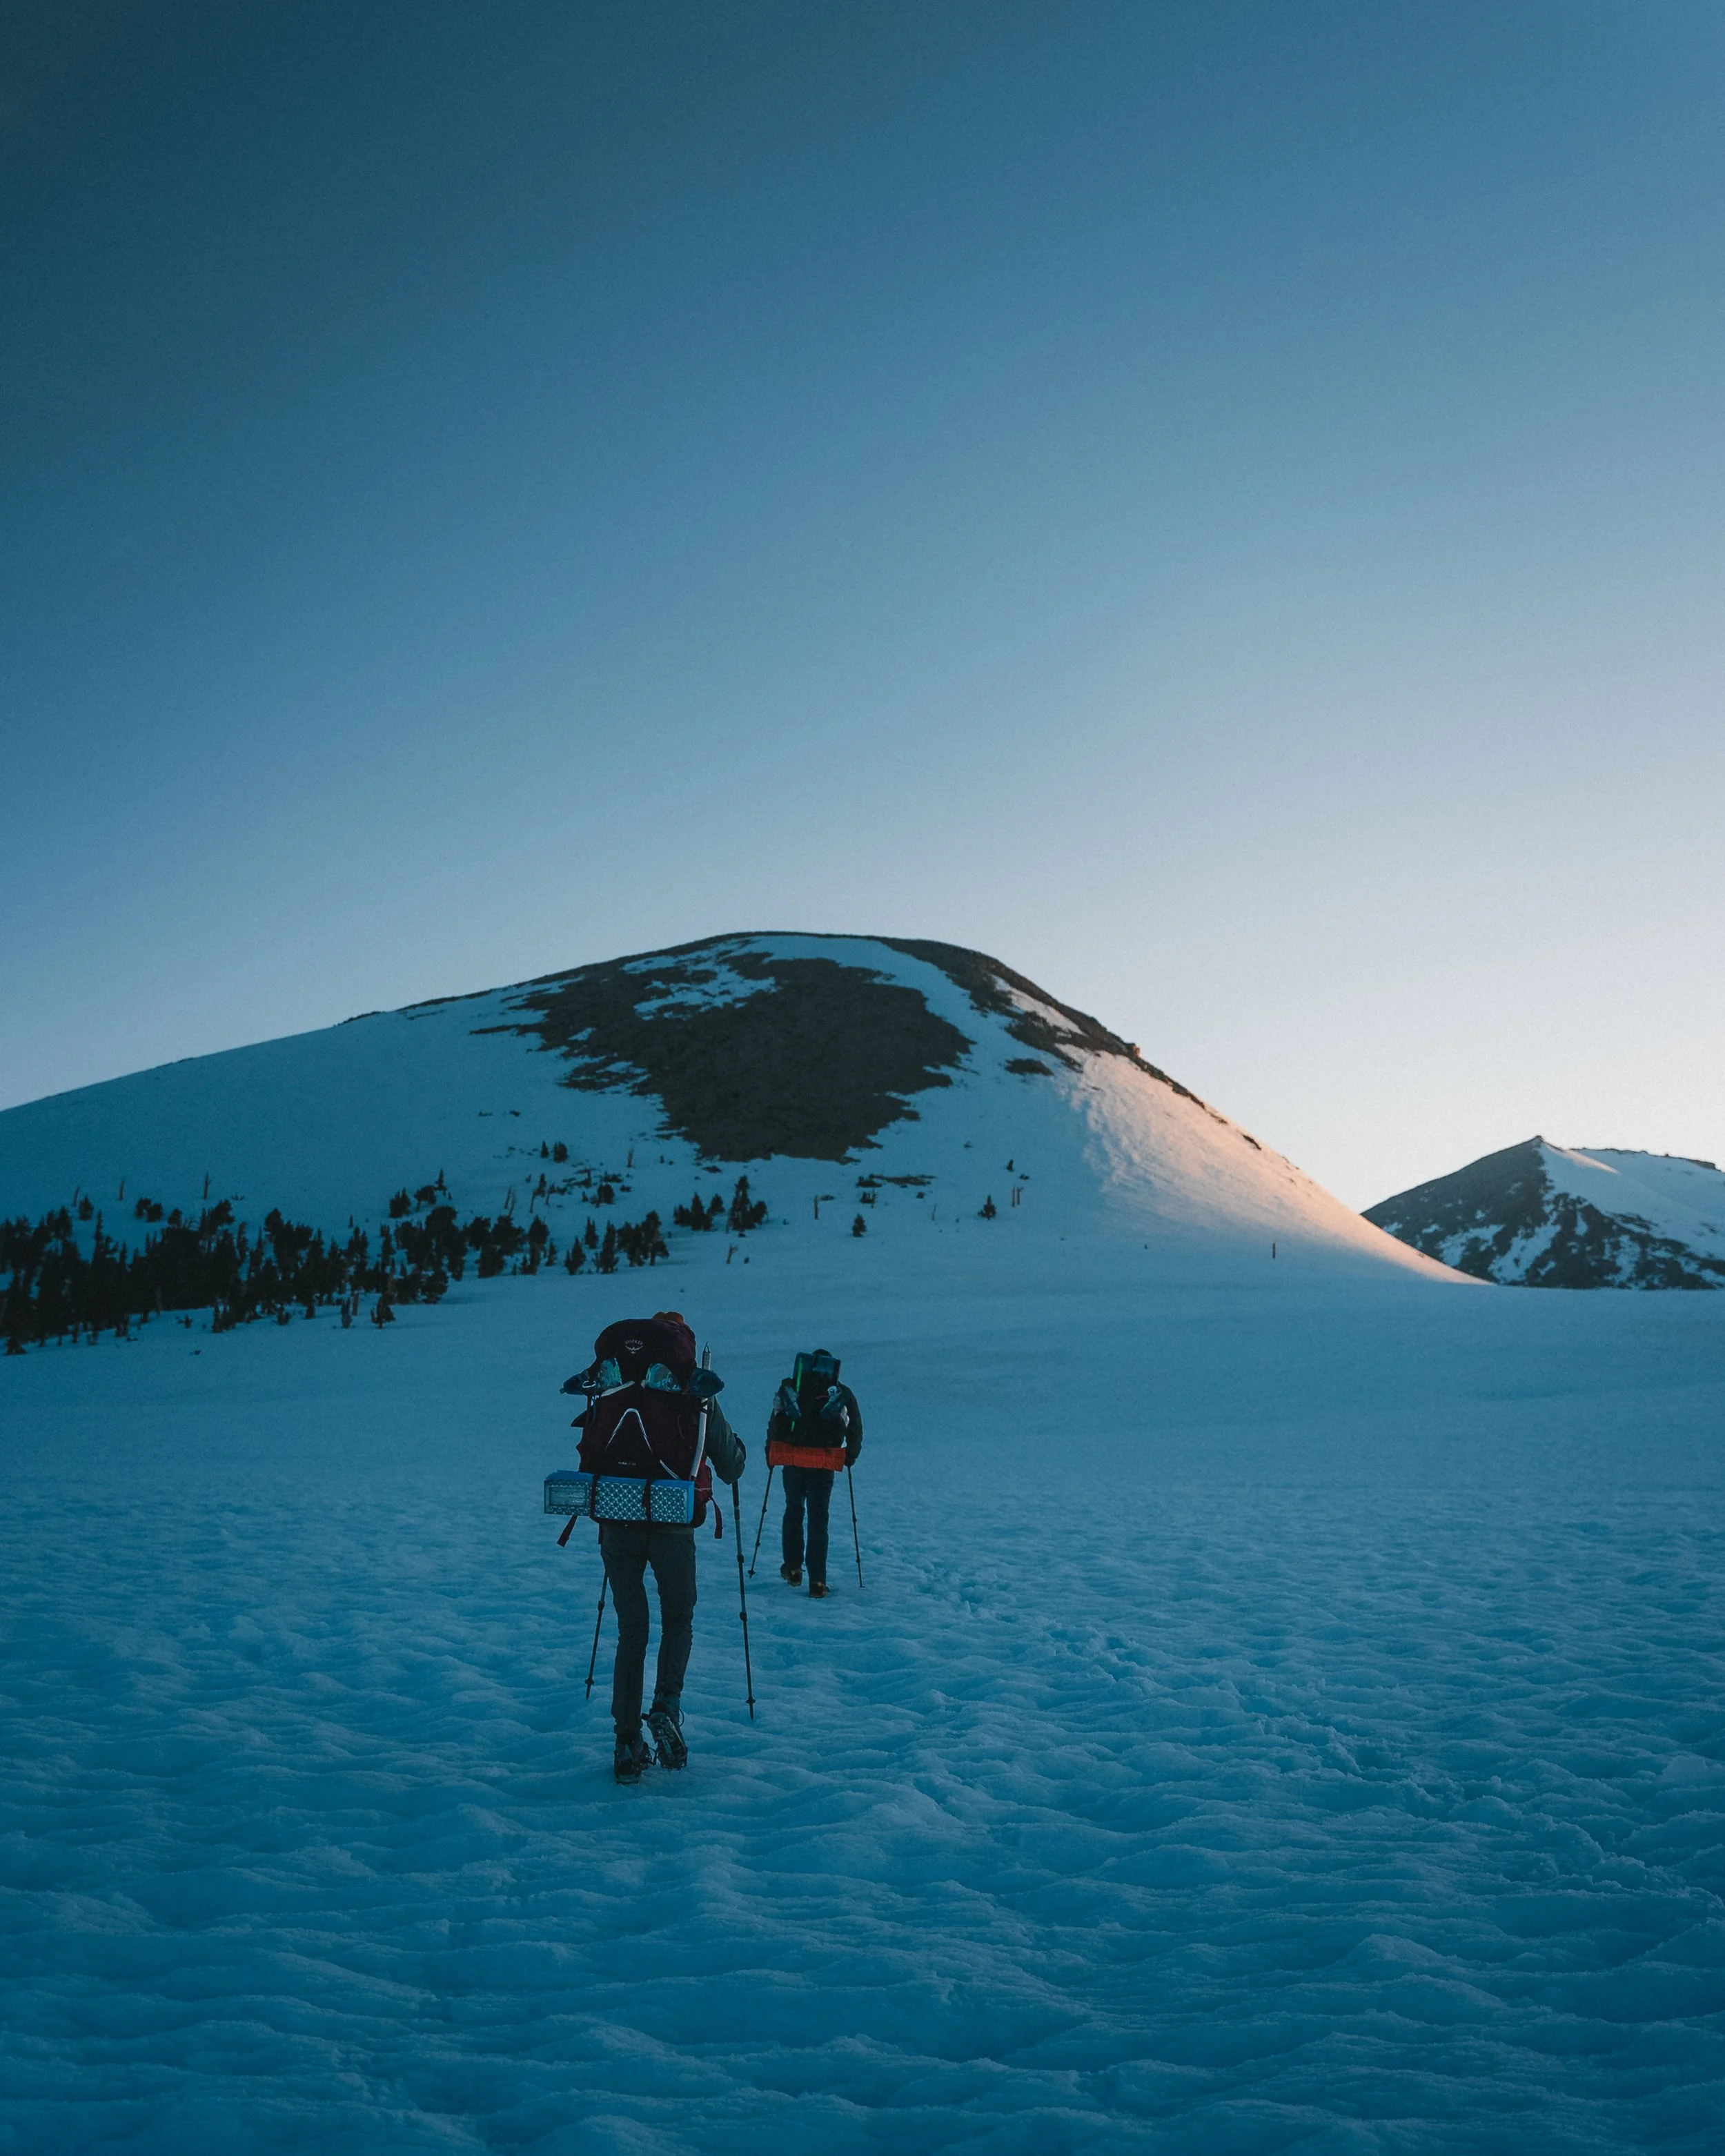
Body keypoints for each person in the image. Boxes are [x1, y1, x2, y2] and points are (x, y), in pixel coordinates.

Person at [562, 1309, 745, 1782]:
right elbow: (731, 1464)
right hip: (671, 1520)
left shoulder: (613, 1384)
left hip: (617, 1516)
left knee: (632, 1630)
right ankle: (666, 1705)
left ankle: (626, 1741)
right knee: (678, 1618)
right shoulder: (692, 1389)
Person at [768, 1346, 862, 1598]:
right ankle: (818, 1582)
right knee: (819, 1518)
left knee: (794, 1511)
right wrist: (850, 1457)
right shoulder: (840, 1393)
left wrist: (771, 1454)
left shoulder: (792, 1389)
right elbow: (855, 1428)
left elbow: (775, 1422)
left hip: (793, 1460)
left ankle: (793, 1569)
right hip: (824, 1462)